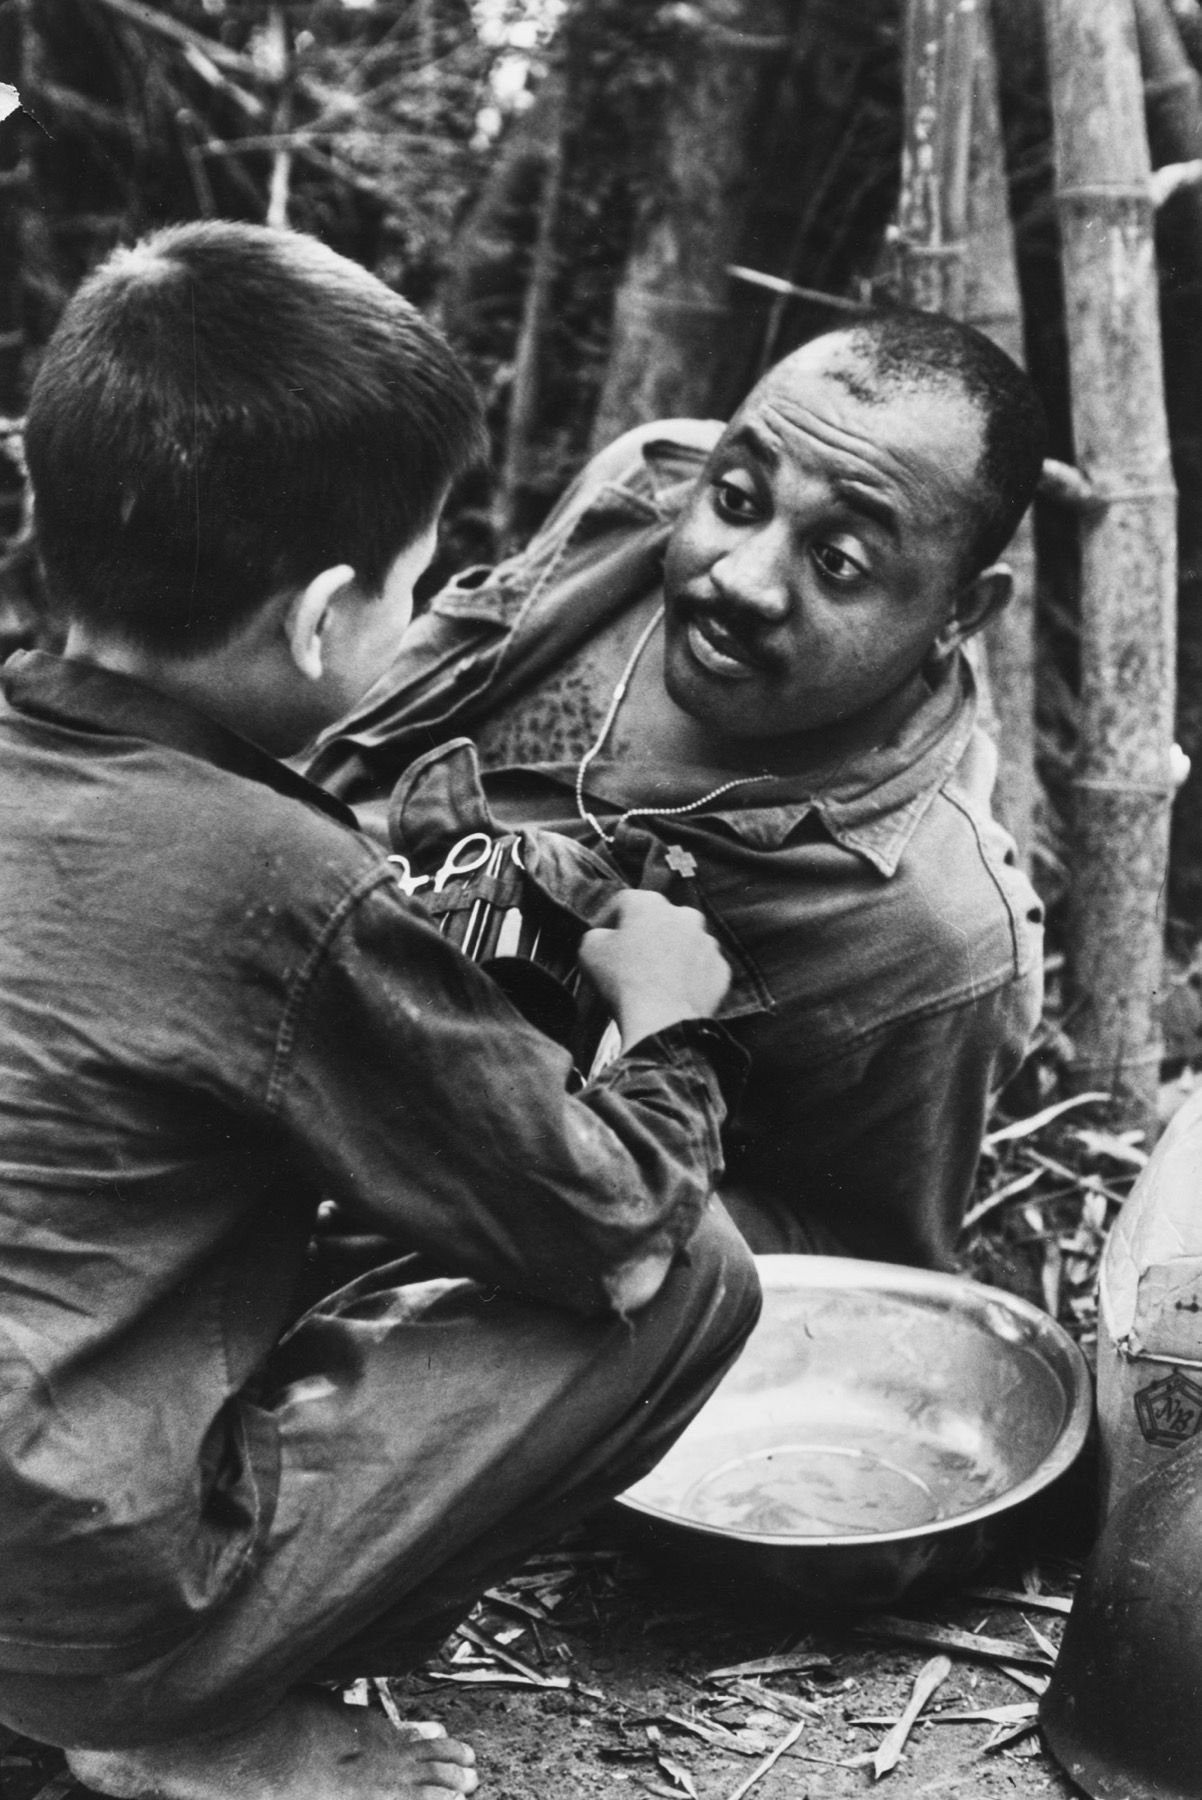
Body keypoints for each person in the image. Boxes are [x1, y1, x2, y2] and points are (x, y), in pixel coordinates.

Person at [0, 221, 762, 1800]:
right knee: (688, 1270)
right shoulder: (274, 881)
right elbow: (599, 1223)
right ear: (317, 617)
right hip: (74, 1596)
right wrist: (663, 1020)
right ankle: (189, 1720)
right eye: (419, 585)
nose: (424, 617)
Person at [308, 310, 1049, 1272]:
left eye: (838, 562)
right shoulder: (648, 480)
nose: (741, 578)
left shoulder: (931, 940)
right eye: (738, 502)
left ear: (962, 612)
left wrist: (499, 1200)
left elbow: (853, 1264)